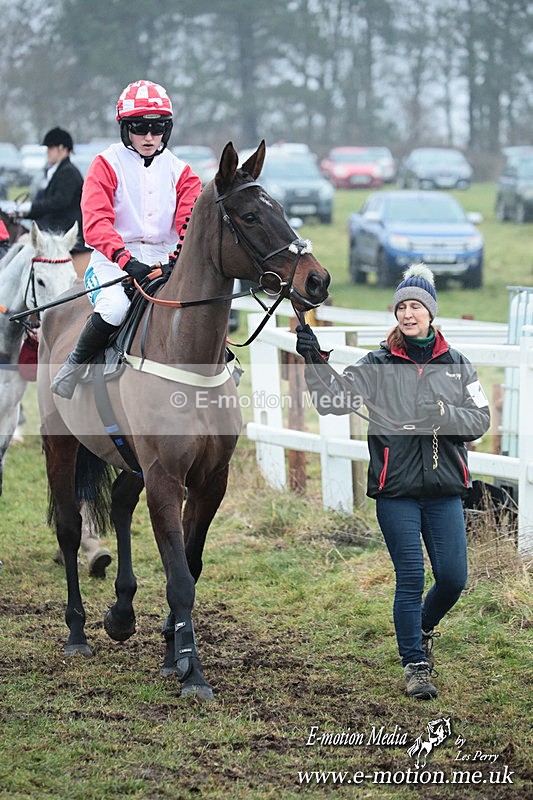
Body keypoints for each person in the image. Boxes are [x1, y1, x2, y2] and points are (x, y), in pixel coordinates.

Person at [296, 264, 491, 700]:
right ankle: (415, 664)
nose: (408, 313)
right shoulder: (377, 364)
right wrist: (313, 360)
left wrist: (443, 416)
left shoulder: (458, 364)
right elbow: (332, 402)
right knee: (410, 576)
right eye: (401, 306)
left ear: (430, 312)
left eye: (416, 306)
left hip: (444, 491)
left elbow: (480, 419)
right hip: (396, 492)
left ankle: (419, 629)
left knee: (454, 578)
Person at [50, 79, 202, 399]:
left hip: (165, 260)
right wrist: (126, 261)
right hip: (111, 262)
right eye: (139, 128)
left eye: (158, 128)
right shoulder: (105, 164)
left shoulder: (183, 172)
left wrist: (175, 261)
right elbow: (95, 223)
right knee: (116, 309)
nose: (149, 137)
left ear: (167, 129)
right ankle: (74, 365)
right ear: (124, 128)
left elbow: (188, 225)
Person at [23, 127, 89, 275]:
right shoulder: (55, 171)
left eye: (51, 148)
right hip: (56, 227)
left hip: (65, 232)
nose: (48, 152)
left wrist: (30, 209)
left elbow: (58, 202)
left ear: (63, 149)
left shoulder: (69, 172)